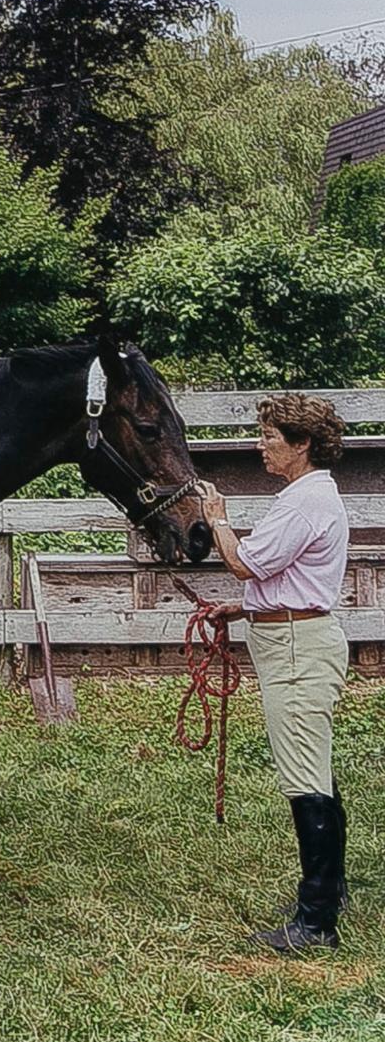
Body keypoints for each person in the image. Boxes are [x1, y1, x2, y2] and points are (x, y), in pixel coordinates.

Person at [200, 393, 350, 953]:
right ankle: (329, 893)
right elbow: (289, 577)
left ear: (302, 444)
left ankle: (316, 923)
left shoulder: (303, 502)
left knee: (305, 780)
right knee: (315, 770)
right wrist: (243, 607)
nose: (260, 446)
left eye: (269, 437)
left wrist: (217, 522)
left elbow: (249, 563)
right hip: (291, 634)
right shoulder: (310, 497)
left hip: (295, 647)